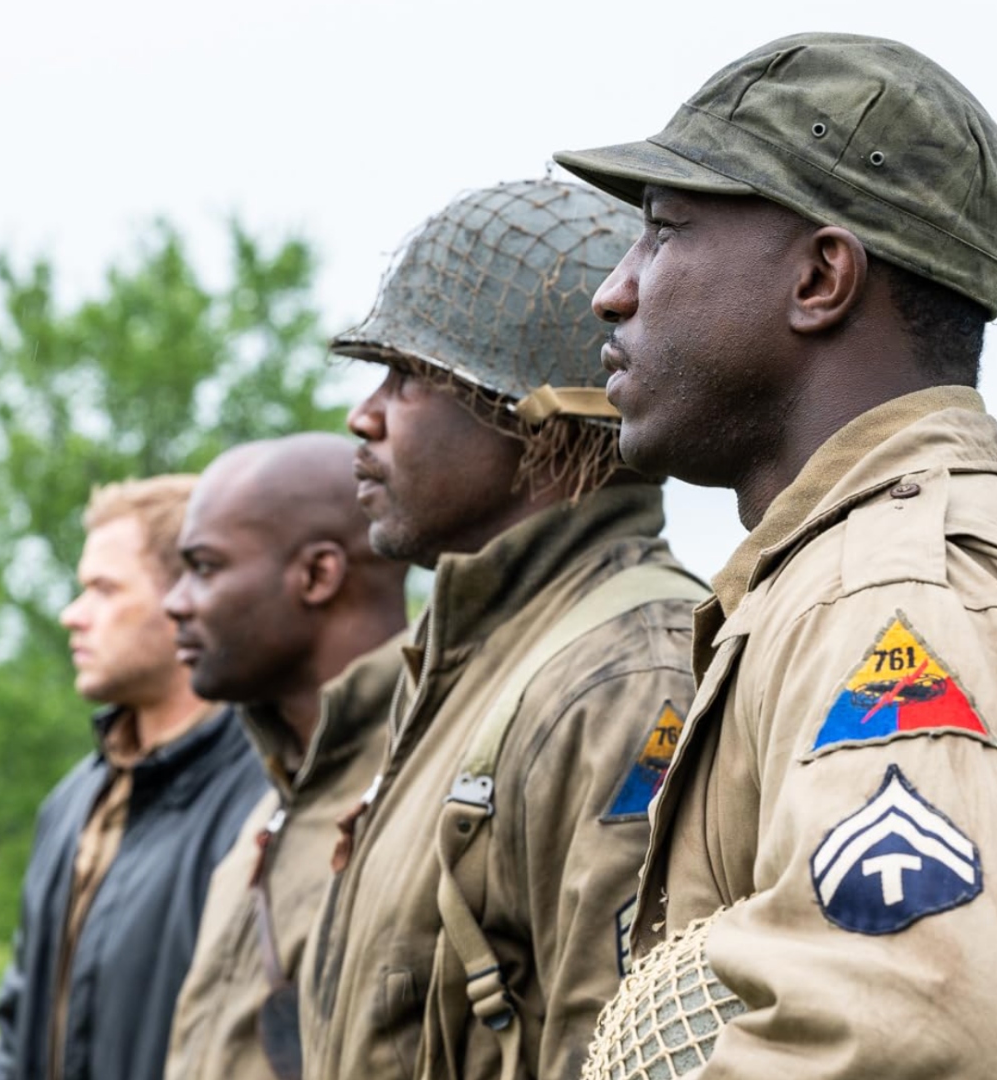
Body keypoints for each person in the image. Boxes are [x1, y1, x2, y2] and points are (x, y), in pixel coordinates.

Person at [552, 33, 997, 1080]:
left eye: (663, 232)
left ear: (822, 277)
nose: (614, 290)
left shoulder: (908, 597)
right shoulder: (845, 578)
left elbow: (937, 1037)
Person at [298, 179, 708, 1080]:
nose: (362, 416)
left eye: (409, 378)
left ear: (534, 424)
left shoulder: (628, 682)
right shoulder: (476, 656)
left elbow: (611, 1051)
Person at [0, 475, 268, 1080]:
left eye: (103, 590)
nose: (72, 615)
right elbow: (16, 1028)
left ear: (187, 597)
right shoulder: (71, 802)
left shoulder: (267, 797)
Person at [161, 433, 410, 1080]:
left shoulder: (426, 788)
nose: (176, 602)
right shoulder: (269, 806)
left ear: (318, 575)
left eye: (205, 567)